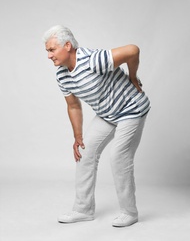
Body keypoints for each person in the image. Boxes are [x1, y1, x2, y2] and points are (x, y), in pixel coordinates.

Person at [43, 25, 150, 227]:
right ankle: (83, 210)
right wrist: (78, 138)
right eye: (47, 51)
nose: (49, 56)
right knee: (84, 153)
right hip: (108, 114)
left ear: (67, 46)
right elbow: (73, 106)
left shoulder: (93, 60)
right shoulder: (62, 75)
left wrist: (133, 77)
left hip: (131, 109)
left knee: (119, 156)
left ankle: (130, 212)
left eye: (51, 50)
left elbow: (132, 50)